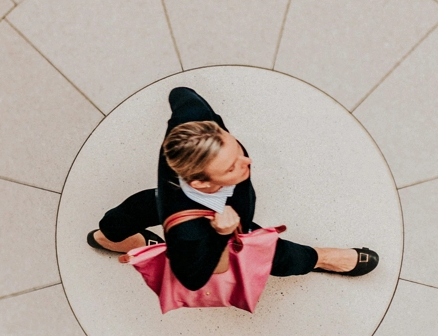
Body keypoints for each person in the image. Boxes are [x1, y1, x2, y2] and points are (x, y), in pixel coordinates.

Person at [88, 86, 378, 291]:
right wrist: (220, 234)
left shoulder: (194, 119)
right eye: (230, 168)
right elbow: (192, 279)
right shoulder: (188, 231)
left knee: (141, 207)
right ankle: (321, 258)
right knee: (266, 252)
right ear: (201, 182)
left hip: (169, 194)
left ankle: (109, 234)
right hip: (205, 221)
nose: (247, 162)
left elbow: (182, 94)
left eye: (235, 147)